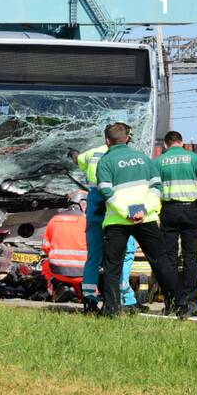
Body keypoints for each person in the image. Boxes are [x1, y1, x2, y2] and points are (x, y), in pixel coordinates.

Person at [96, 122, 183, 317]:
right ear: (127, 138)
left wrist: (127, 212)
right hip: (146, 219)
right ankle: (180, 304)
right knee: (161, 262)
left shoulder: (105, 162)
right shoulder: (144, 158)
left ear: (107, 141)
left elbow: (106, 191)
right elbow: (157, 187)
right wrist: (143, 210)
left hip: (117, 221)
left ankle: (111, 310)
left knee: (112, 267)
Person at [73, 134, 139, 313]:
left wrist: (73, 153)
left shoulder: (93, 154)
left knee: (93, 256)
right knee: (123, 255)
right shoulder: (129, 157)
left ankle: (89, 299)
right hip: (116, 209)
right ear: (126, 139)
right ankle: (126, 299)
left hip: (94, 205)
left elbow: (77, 159)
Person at [155, 131, 197, 315]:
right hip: (190, 211)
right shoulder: (193, 158)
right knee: (190, 257)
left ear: (166, 144)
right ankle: (191, 302)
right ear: (181, 143)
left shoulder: (160, 161)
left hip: (168, 211)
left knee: (170, 258)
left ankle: (172, 301)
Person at [40, 191, 88, 301]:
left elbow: (45, 246)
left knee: (45, 264)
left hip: (58, 273)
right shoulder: (87, 221)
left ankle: (51, 292)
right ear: (82, 204)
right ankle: (84, 295)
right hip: (84, 275)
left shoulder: (54, 219)